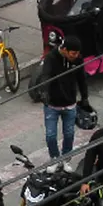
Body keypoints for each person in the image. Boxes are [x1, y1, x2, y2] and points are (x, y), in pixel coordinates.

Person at [40, 36, 88, 169]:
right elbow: (45, 75)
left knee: (69, 134)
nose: (76, 56)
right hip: (52, 105)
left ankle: (66, 159)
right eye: (73, 53)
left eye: (78, 53)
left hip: (70, 104)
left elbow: (81, 79)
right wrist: (44, 92)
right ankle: (55, 158)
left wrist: (85, 97)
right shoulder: (51, 57)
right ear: (65, 50)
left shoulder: (78, 59)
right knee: (50, 135)